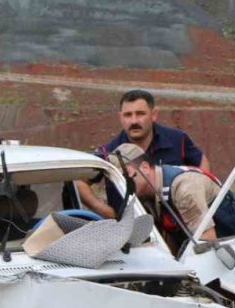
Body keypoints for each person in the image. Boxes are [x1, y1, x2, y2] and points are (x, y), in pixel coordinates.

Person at [77, 88, 212, 218]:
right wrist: (107, 212)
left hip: (176, 225)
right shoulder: (108, 152)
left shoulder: (177, 139)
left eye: (140, 113)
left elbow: (201, 162)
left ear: (154, 115)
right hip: (130, 230)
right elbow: (79, 181)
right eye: (128, 115)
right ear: (120, 117)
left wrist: (198, 198)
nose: (134, 121)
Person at [118, 144, 235, 250]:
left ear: (145, 168)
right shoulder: (149, 192)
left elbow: (207, 243)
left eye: (125, 176)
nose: (123, 184)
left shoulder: (184, 188)